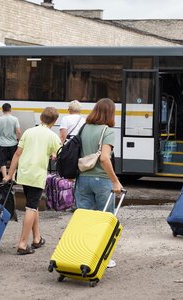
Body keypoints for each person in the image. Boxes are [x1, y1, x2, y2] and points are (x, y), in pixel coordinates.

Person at [3, 107, 62, 255]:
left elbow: (17, 154)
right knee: (31, 207)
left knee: (33, 205)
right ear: (54, 121)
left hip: (24, 173)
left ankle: (37, 238)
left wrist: (10, 175)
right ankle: (22, 244)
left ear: (41, 118)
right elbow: (60, 155)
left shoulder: (29, 132)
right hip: (37, 175)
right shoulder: (52, 136)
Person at [75, 98, 123, 267]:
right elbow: (104, 158)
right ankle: (103, 258)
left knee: (83, 219)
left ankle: (82, 254)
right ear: (110, 113)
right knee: (104, 221)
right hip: (101, 181)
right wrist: (115, 181)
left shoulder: (84, 128)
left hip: (83, 179)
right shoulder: (107, 131)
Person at [0, 103, 22, 178]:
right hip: (13, 144)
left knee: (2, 162)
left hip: (2, 144)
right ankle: (12, 178)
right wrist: (20, 140)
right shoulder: (15, 119)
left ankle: (5, 177)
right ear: (10, 109)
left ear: (2, 110)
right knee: (13, 161)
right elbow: (18, 131)